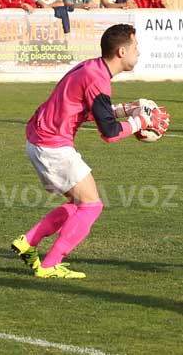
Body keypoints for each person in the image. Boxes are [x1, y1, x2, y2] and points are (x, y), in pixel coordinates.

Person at [10, 24, 170, 279]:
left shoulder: (92, 67)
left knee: (79, 203)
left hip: (41, 140)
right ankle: (50, 265)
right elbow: (110, 133)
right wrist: (141, 122)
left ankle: (28, 241)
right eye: (135, 47)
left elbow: (86, 110)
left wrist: (126, 109)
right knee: (91, 206)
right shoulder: (97, 78)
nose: (138, 52)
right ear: (121, 51)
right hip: (52, 146)